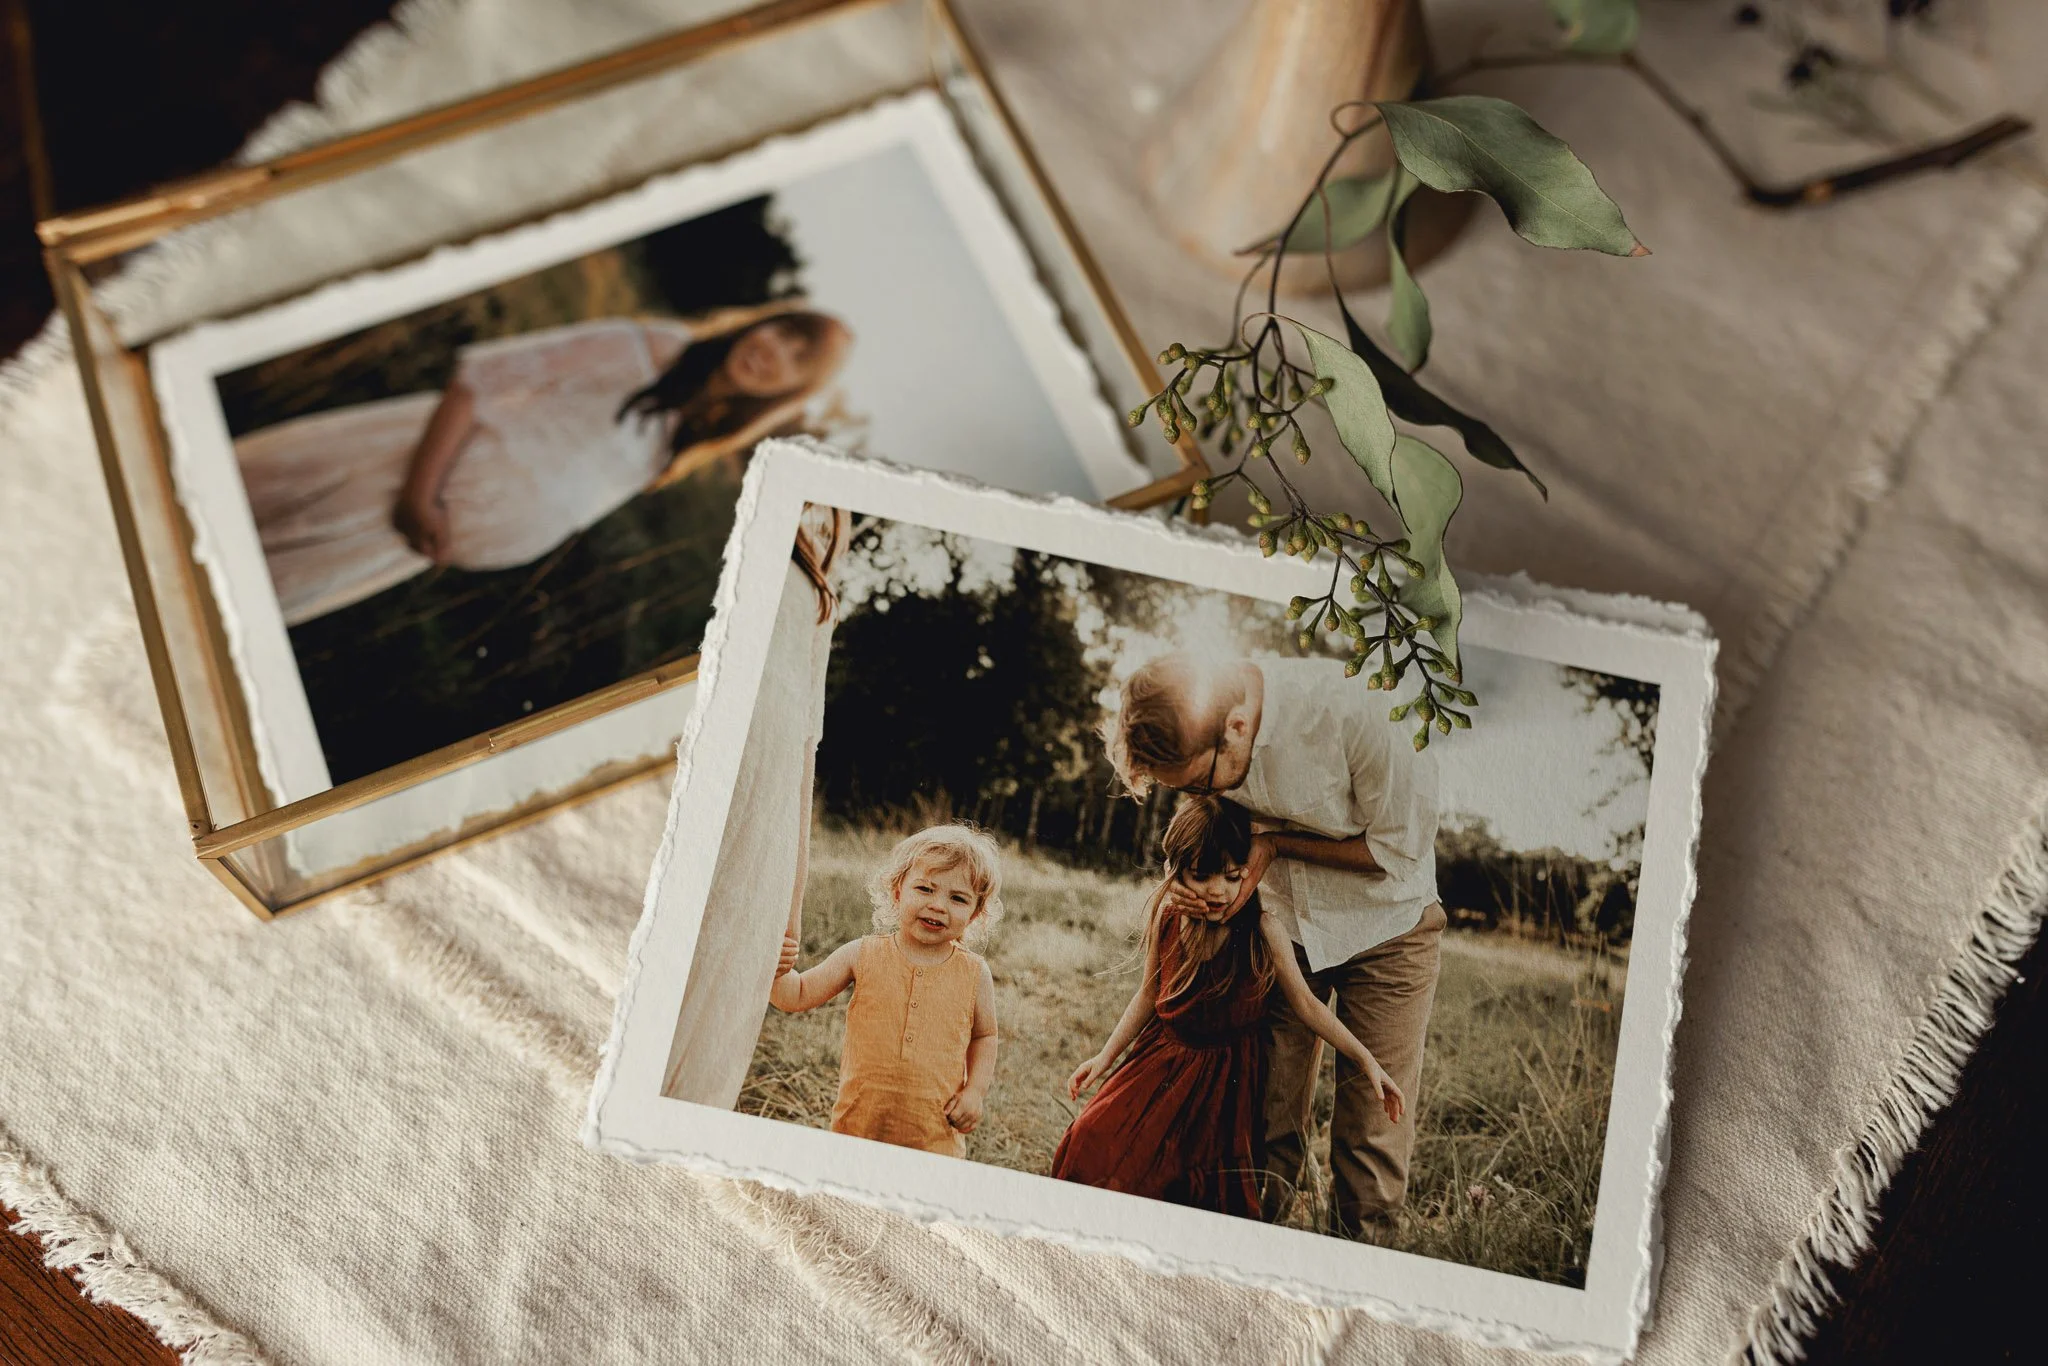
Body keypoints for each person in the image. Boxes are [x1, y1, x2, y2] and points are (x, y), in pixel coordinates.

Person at [1102, 651, 1444, 1235]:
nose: (1199, 794)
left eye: (1201, 782)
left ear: (1236, 726)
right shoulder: (1206, 737)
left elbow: (1394, 852)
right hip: (1280, 925)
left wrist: (1277, 845)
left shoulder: (1361, 710)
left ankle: (1356, 1272)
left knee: (1371, 1132)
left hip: (1389, 928)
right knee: (1264, 1113)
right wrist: (1181, 887)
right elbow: (1205, 832)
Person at [233, 301, 851, 625]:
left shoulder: (684, 440)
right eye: (782, 332)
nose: (774, 352)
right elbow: (478, 379)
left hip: (401, 541)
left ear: (788, 391)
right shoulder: (646, 347)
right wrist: (420, 494)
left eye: (798, 358)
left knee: (249, 596)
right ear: (762, 322)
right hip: (398, 475)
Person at [1052, 796, 1401, 1219]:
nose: (1218, 890)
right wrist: (1104, 1057)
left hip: (1223, 1087)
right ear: (1175, 872)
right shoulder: (1167, 915)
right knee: (1091, 1142)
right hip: (1159, 1066)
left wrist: (1366, 1060)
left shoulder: (1263, 929)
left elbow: (1308, 1006)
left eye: (1233, 876)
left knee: (1196, 1191)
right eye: (1201, 876)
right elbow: (1147, 994)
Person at [660, 500, 848, 1109]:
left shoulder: (821, 592)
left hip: (768, 785)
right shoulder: (747, 529)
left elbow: (806, 737)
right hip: (715, 750)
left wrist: (791, 898)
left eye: (832, 519)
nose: (823, 522)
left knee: (726, 976)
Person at [763, 825, 1003, 1157]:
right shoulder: (861, 954)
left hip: (934, 1139)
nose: (938, 905)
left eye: (957, 898)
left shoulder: (975, 973)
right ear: (897, 892)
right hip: (856, 1129)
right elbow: (797, 995)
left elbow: (985, 1036)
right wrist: (776, 970)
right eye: (925, 889)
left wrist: (975, 1091)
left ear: (975, 913)